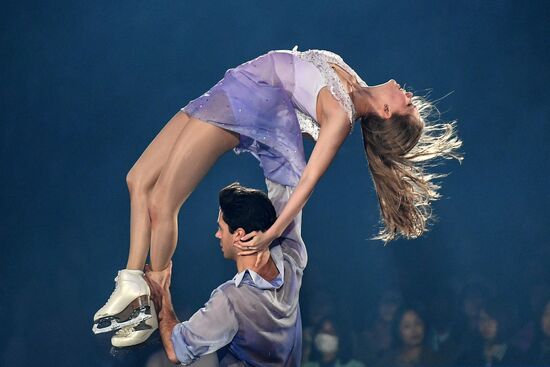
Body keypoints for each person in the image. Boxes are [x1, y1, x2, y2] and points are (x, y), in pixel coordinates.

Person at [92, 46, 462, 346]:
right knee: (137, 179)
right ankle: (131, 281)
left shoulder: (341, 117)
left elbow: (307, 183)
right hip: (234, 85)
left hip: (242, 106)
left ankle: (150, 298)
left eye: (406, 106)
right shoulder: (353, 84)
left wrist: (271, 234)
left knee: (162, 202)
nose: (409, 96)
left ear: (385, 112)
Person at [144, 181, 307, 365]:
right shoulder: (290, 260)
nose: (217, 235)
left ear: (238, 234)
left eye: (221, 228)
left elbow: (176, 350)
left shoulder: (231, 300)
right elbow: (287, 183)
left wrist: (162, 294)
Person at [376, 303, 447, 367]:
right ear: (398, 331)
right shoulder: (388, 361)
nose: (414, 330)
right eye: (407, 326)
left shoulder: (436, 360)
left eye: (418, 323)